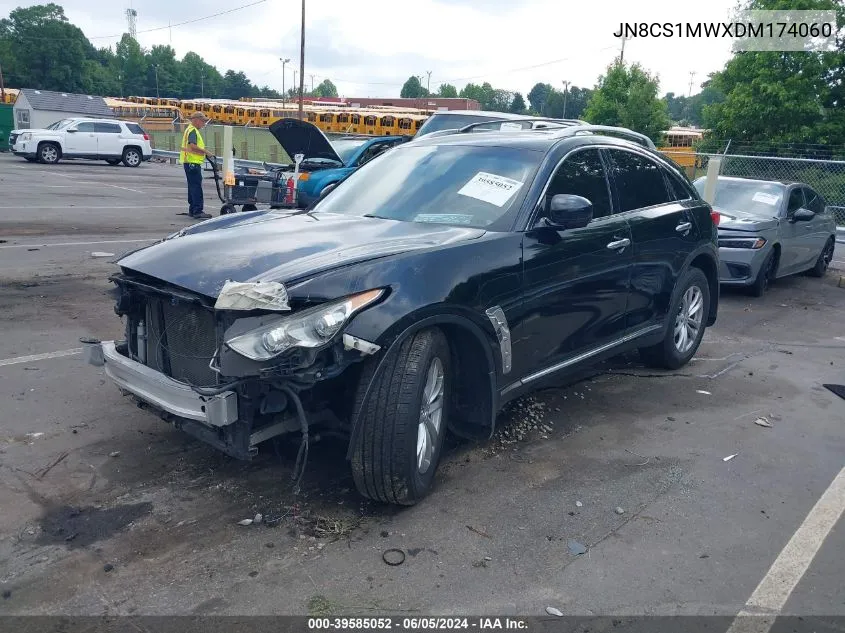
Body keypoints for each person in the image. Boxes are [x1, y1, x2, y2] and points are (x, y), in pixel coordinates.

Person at [180, 112, 215, 219]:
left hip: (189, 162)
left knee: (192, 187)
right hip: (192, 163)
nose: (204, 123)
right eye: (202, 121)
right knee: (196, 187)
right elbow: (192, 146)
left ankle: (192, 209)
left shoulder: (189, 129)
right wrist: (206, 152)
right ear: (196, 120)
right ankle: (197, 210)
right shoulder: (193, 131)